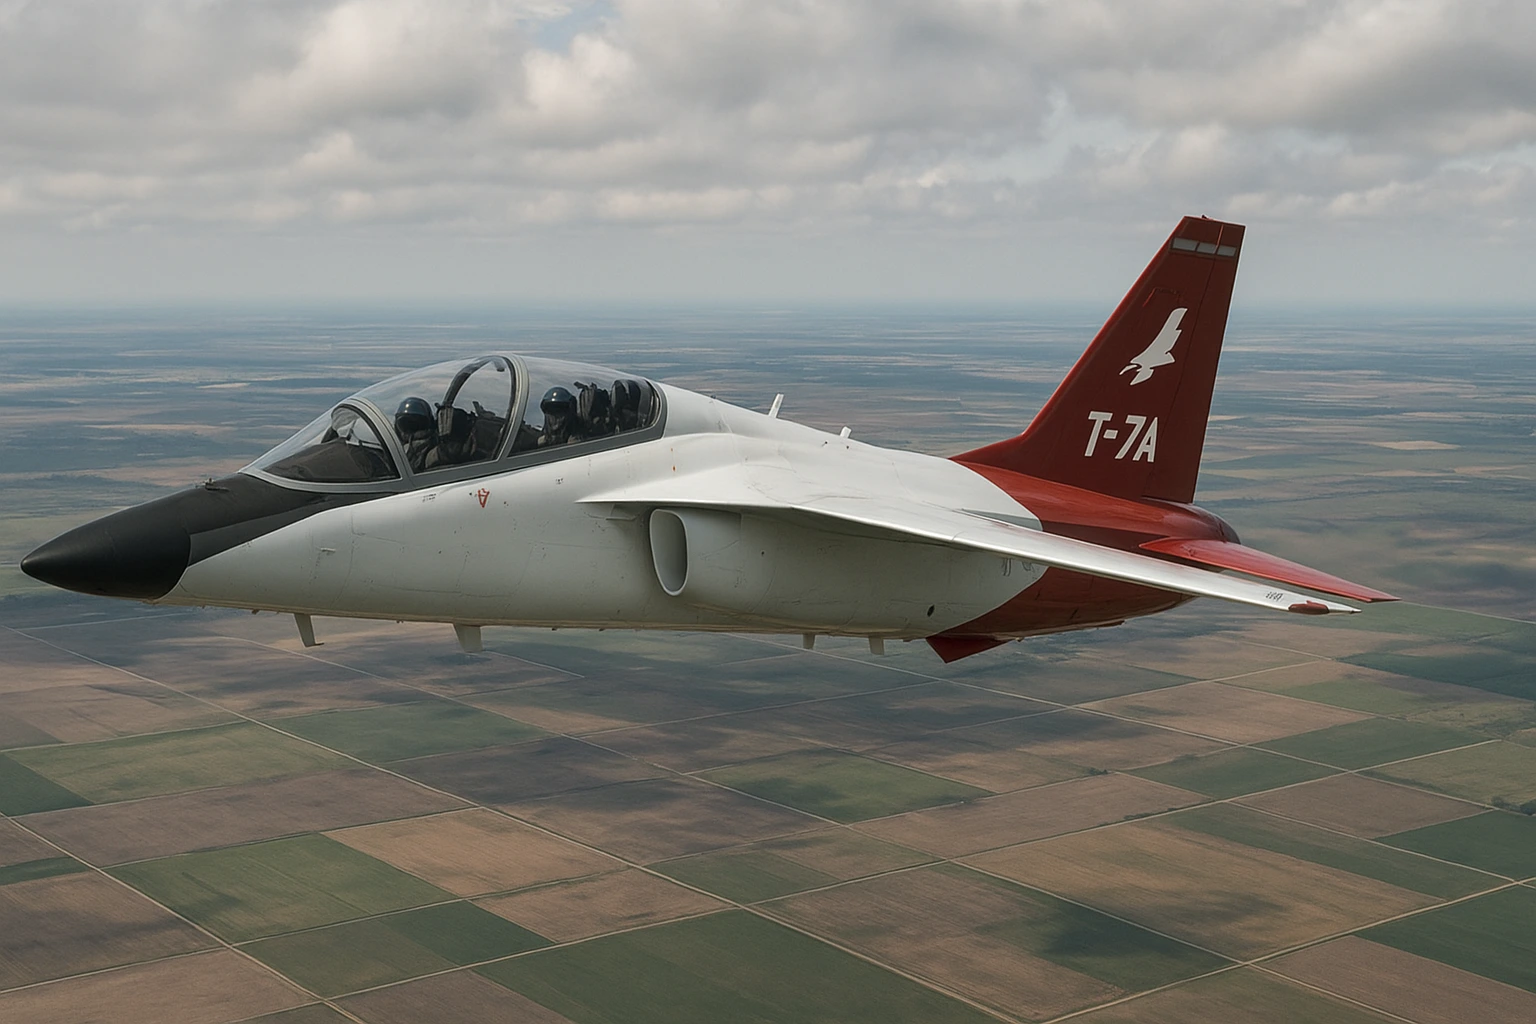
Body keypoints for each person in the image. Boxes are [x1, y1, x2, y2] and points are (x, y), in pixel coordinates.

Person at [394, 396, 437, 472]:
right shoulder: (399, 451)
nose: (408, 428)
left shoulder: (433, 452)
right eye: (404, 423)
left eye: (412, 424)